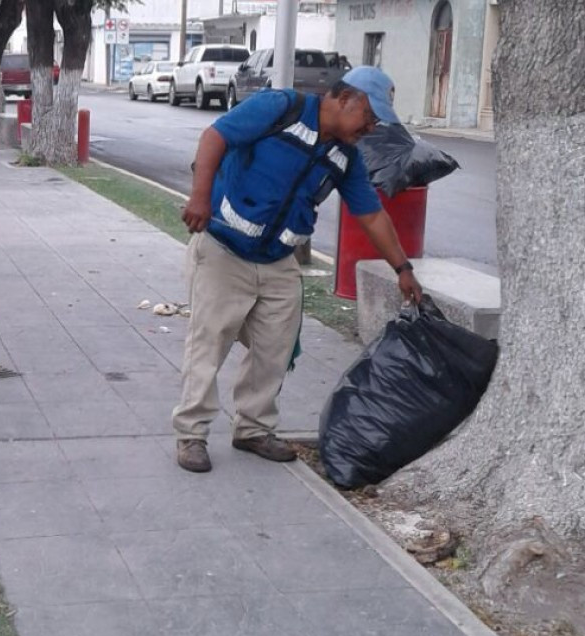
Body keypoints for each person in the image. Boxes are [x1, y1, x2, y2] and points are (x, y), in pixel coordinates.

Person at [174, 66, 423, 473]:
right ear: (345, 99)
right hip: (223, 248)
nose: (371, 128)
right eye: (369, 117)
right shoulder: (281, 107)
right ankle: (191, 434)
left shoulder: (345, 157)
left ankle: (253, 428)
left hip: (276, 261)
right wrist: (200, 197)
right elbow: (214, 136)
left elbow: (372, 215)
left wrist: (402, 268)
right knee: (209, 342)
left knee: (276, 347)